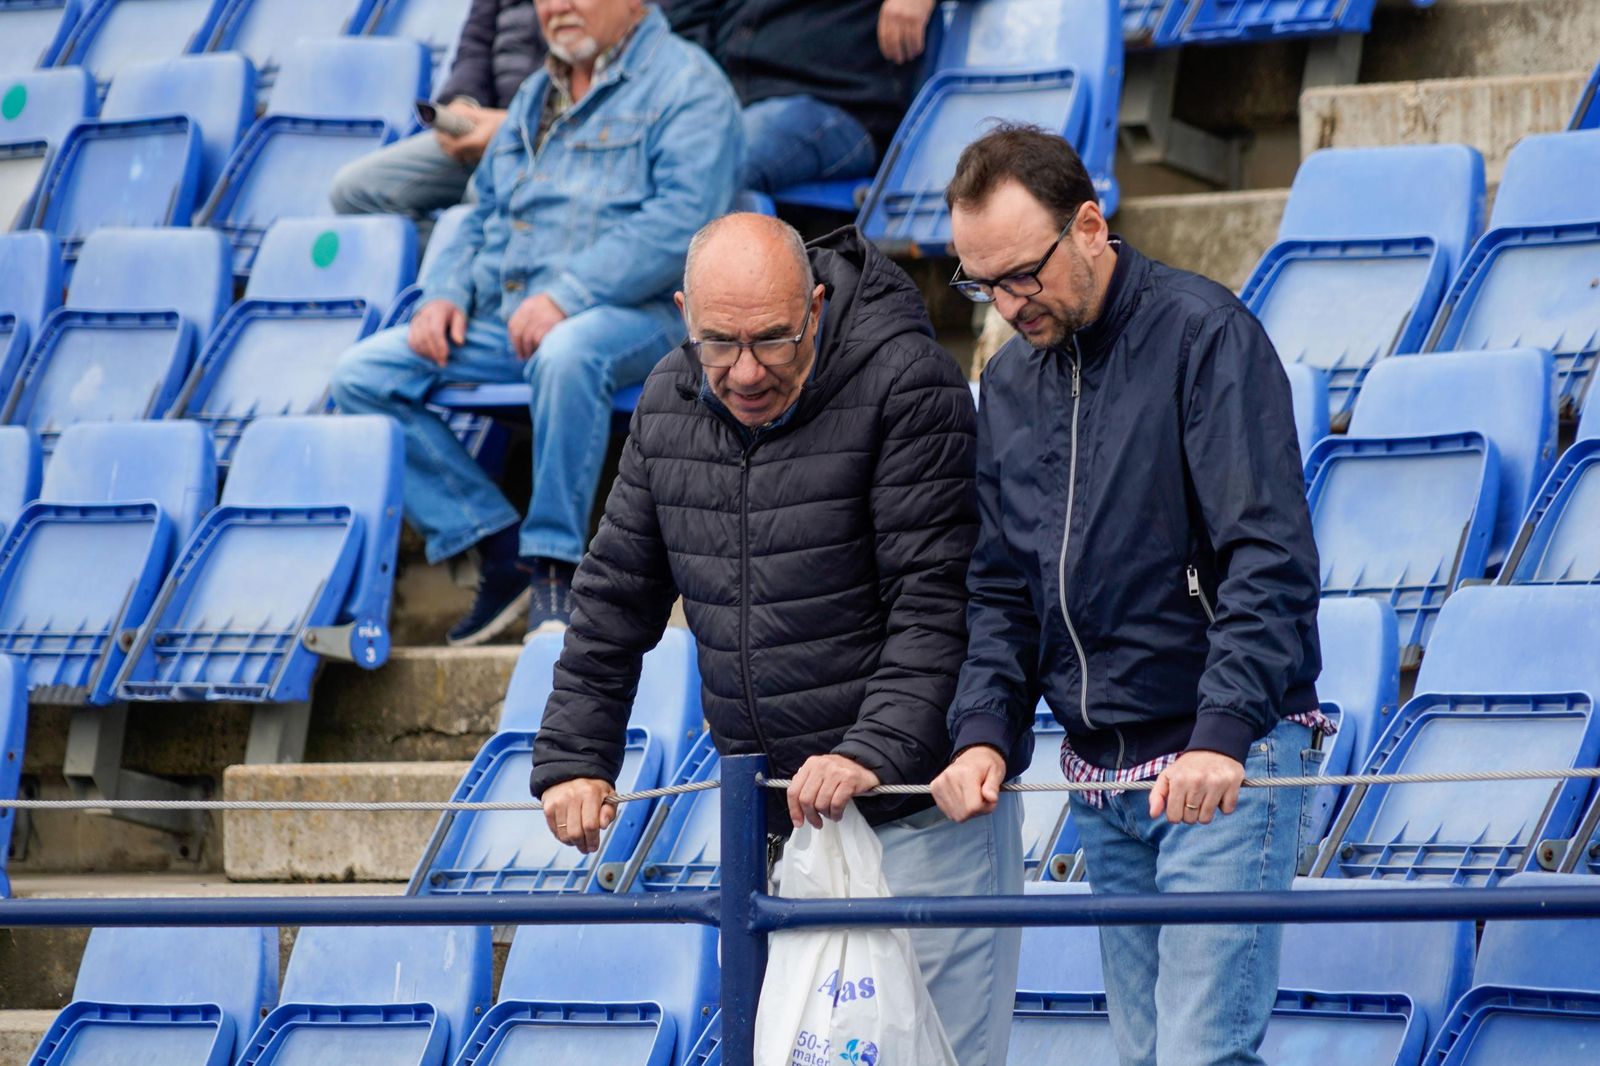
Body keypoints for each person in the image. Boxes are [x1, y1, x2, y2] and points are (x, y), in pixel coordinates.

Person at [531, 213, 1024, 1065]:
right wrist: (577, 754)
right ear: (685, 314)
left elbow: (938, 604)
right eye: (719, 343)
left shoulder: (910, 386)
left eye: (773, 341)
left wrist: (871, 748)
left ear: (818, 306)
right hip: (779, 836)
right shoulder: (665, 399)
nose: (747, 371)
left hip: (919, 822)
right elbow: (612, 597)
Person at [929, 125, 1326, 1066]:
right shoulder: (1011, 380)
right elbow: (1001, 589)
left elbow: (1267, 557)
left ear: (1092, 226)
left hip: (1220, 763)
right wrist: (985, 728)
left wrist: (1223, 736)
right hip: (1103, 777)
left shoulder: (1206, 335)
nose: (1008, 302)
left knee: (1199, 1057)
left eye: (1023, 273)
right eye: (981, 283)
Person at [329, 0, 743, 643]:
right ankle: (498, 546)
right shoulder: (532, 95)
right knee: (361, 374)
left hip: (650, 310)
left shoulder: (690, 85)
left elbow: (682, 226)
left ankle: (556, 568)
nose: (557, 7)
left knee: (567, 352)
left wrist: (568, 293)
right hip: (517, 310)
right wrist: (445, 292)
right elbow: (483, 212)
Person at [664, 0, 937, 192]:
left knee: (705, 164)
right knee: (645, 158)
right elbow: (686, 20)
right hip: (725, 103)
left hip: (837, 104)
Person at [330, 0, 546, 237]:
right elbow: (476, 41)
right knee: (353, 191)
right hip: (483, 126)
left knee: (482, 195)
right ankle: (460, 259)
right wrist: (464, 101)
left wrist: (516, 125)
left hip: (547, 134)